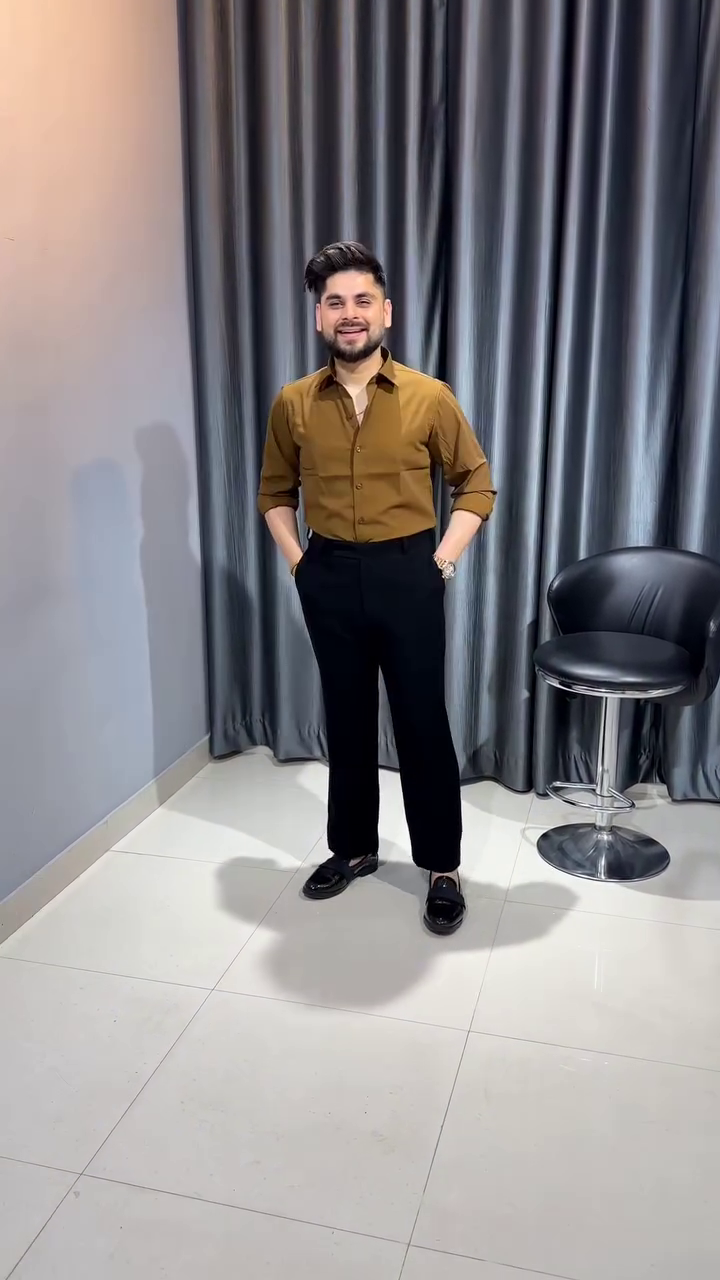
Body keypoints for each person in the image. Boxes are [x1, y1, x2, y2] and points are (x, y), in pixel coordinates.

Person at [258, 242, 496, 934]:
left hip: (408, 572)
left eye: (362, 300)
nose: (349, 313)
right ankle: (354, 847)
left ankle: (442, 865)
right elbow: (274, 492)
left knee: (421, 722)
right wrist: (300, 563)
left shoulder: (429, 397)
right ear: (319, 318)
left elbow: (476, 484)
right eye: (335, 302)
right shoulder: (294, 403)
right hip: (329, 574)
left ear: (386, 312)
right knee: (348, 716)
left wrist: (441, 561)